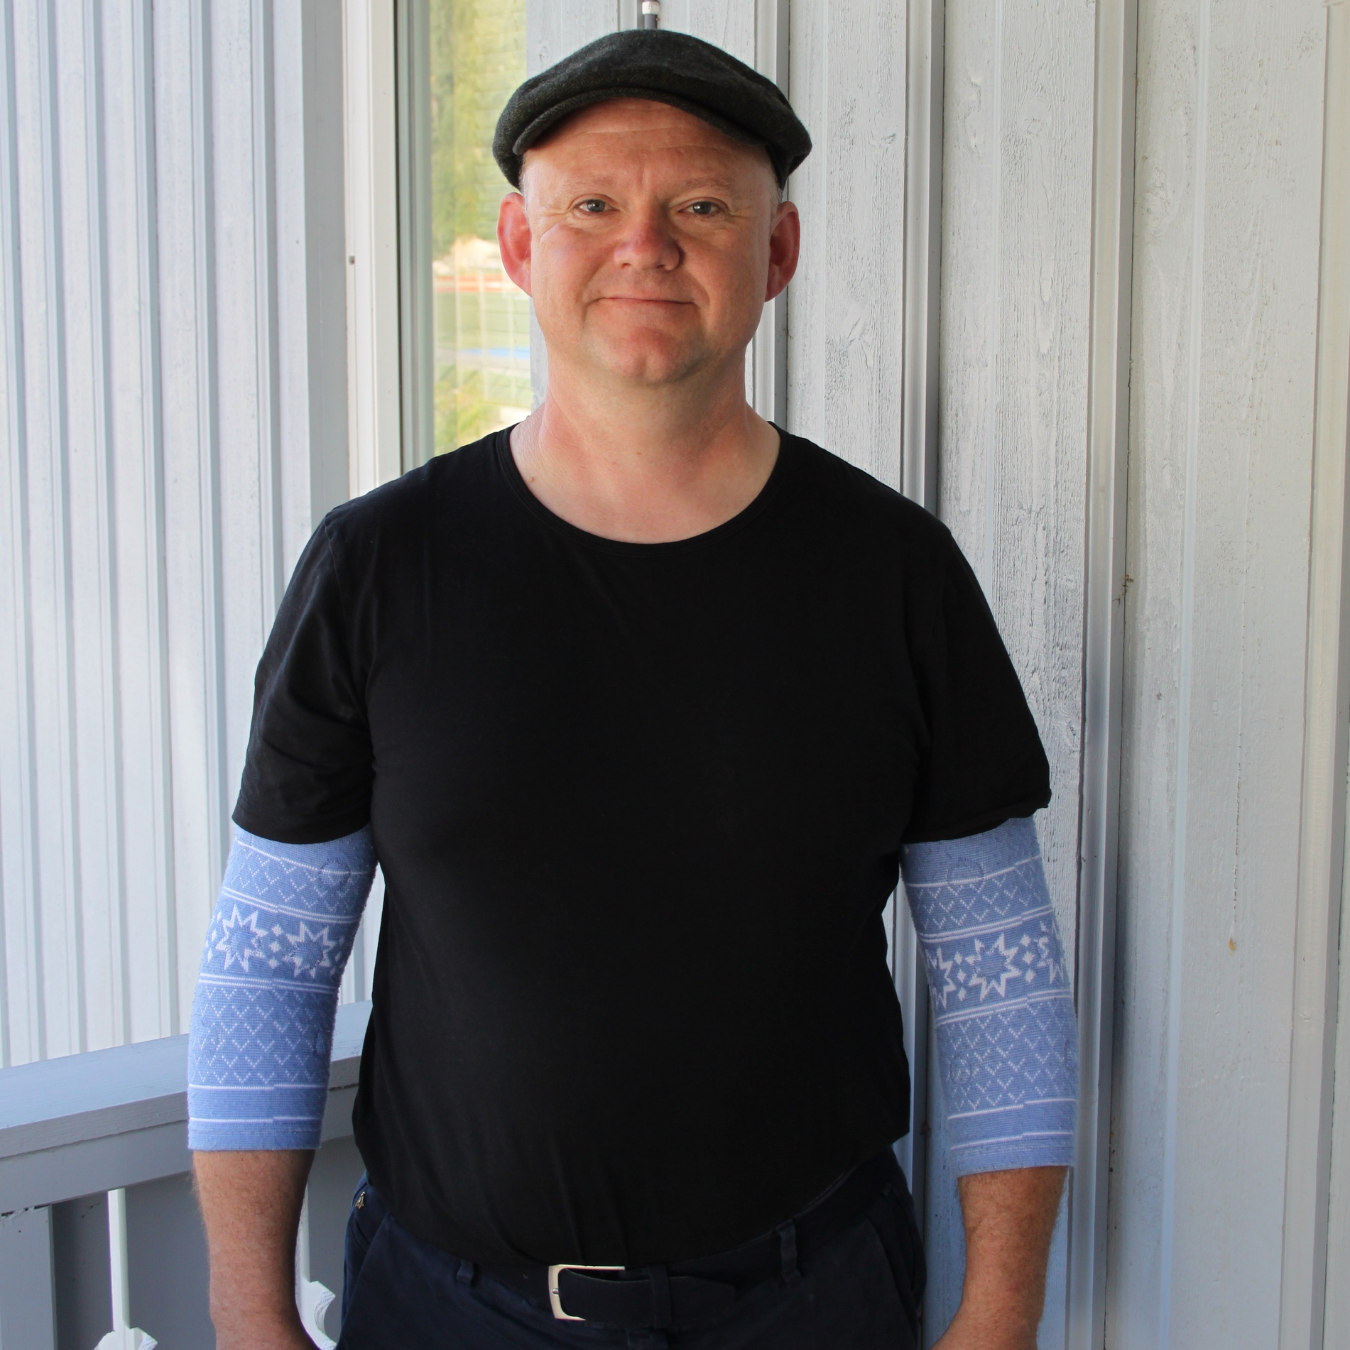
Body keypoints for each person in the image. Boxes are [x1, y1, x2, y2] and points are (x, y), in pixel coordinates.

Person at [188, 28, 1077, 1350]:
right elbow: (270, 965)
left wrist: (998, 1317)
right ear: (519, 243)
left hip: (812, 1300)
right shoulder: (379, 567)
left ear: (777, 251)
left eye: (701, 207)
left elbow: (1000, 971)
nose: (644, 247)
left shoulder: (895, 574)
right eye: (593, 206)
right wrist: (249, 1314)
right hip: (448, 1310)